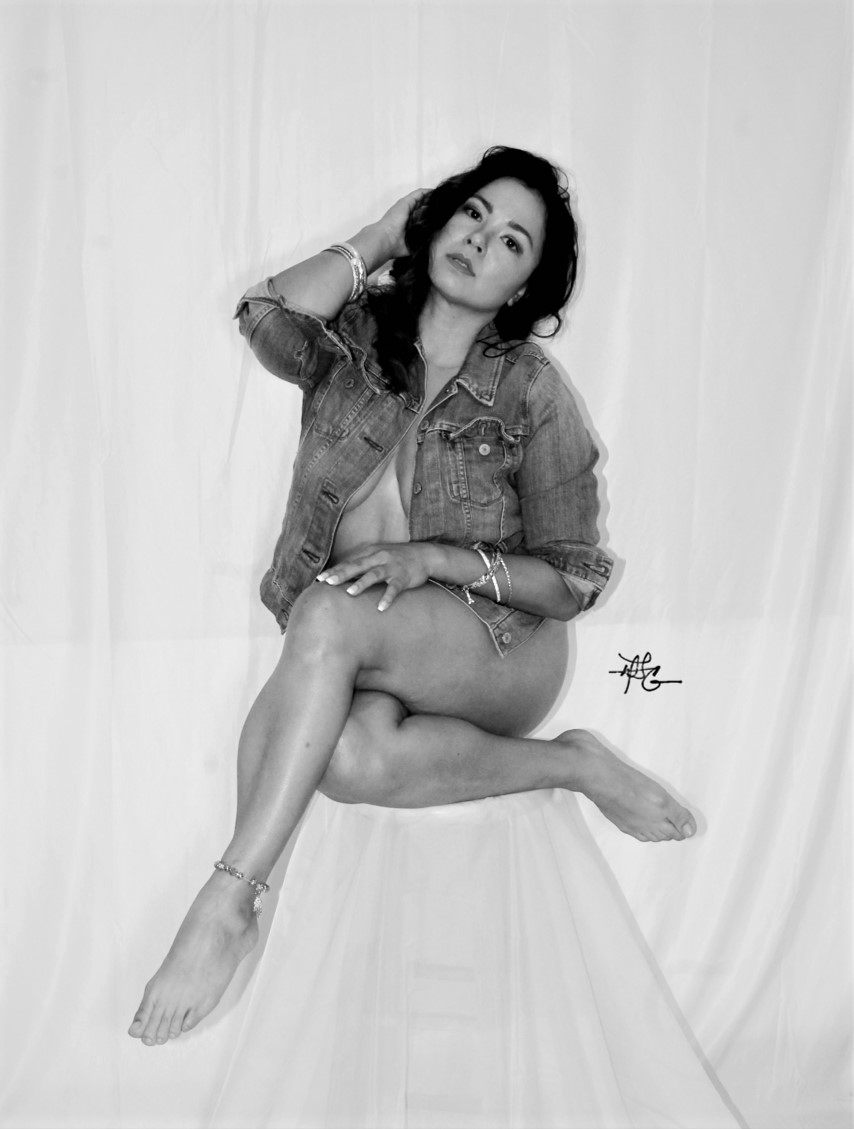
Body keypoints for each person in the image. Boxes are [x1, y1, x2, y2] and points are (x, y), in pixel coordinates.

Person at [128, 145, 697, 1050]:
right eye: (472, 213)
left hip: (498, 646)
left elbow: (571, 579)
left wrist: (431, 558)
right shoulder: (355, 344)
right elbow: (265, 315)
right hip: (364, 645)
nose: (480, 240)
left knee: (323, 612)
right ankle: (572, 763)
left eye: (511, 241)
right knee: (348, 759)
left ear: (523, 285)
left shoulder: (531, 391)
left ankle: (229, 899)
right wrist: (380, 234)